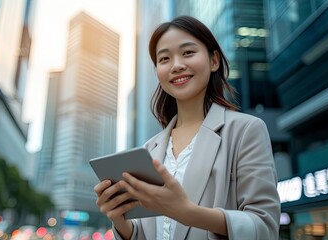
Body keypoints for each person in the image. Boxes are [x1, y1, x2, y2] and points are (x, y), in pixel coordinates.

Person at [94, 15, 280, 240]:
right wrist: (120, 222)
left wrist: (187, 213)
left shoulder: (246, 130)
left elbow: (265, 227)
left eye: (188, 53)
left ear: (214, 61)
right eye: (164, 59)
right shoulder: (148, 150)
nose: (177, 65)